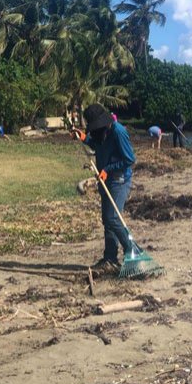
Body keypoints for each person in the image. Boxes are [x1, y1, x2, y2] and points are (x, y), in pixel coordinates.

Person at [71, 104, 136, 275]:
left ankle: (132, 249)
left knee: (112, 217)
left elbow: (129, 159)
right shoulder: (101, 131)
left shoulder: (118, 131)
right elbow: (97, 146)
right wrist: (84, 138)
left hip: (119, 179)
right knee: (107, 220)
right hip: (104, 179)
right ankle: (110, 259)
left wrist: (108, 169)